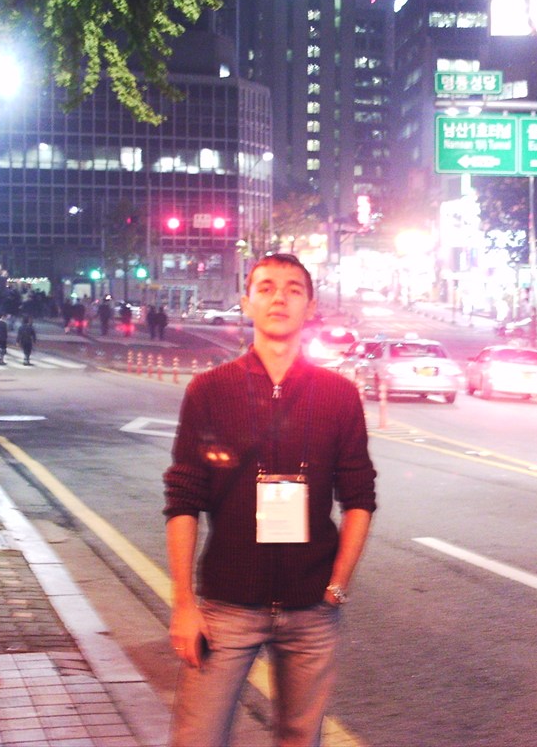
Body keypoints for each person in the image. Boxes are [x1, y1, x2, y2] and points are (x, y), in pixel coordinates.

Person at [164, 253, 377, 747]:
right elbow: (183, 500)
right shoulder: (209, 390)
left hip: (311, 610)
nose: (279, 297)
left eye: (293, 289)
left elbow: (359, 497)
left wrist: (338, 586)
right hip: (226, 607)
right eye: (265, 288)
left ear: (310, 307)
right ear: (247, 302)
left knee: (301, 738)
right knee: (196, 737)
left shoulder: (339, 395)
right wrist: (184, 604)